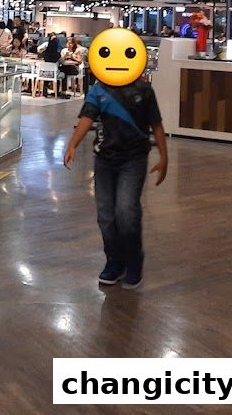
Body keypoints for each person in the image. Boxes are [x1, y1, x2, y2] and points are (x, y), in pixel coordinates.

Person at [64, 38, 168, 290]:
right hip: (105, 161)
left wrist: (164, 158)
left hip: (134, 159)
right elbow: (87, 119)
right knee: (106, 216)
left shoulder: (144, 91)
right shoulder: (98, 90)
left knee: (127, 210)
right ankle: (115, 261)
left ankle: (134, 261)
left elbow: (156, 125)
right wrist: (72, 144)